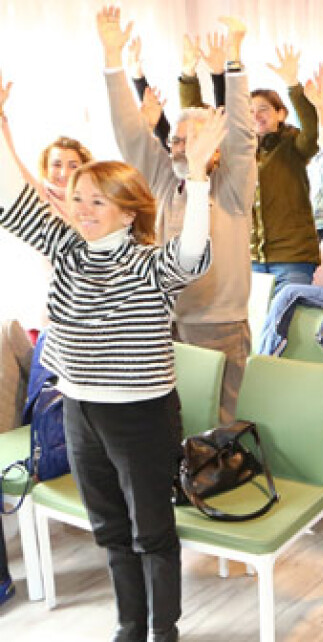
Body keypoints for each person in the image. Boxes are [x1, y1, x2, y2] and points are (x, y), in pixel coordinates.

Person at [3, 14, 224, 637]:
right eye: (77, 200)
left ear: (129, 210)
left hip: (140, 414)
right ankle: (131, 627)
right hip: (81, 409)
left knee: (151, 529)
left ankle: (164, 630)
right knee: (109, 529)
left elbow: (193, 255)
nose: (81, 210)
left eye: (96, 201)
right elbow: (12, 196)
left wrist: (199, 179)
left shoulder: (149, 263)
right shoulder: (67, 248)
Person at [102, 14, 256, 426]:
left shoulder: (232, 185)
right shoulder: (164, 180)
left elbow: (241, 135)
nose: (178, 147)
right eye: (175, 139)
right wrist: (113, 62)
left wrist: (234, 63)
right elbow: (131, 134)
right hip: (165, 321)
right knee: (171, 423)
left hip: (219, 326)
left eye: (189, 140)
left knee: (220, 432)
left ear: (213, 145)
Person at [250, 43, 322, 291]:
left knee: (283, 324)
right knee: (259, 325)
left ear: (281, 114)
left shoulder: (293, 143)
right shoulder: (245, 151)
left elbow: (313, 133)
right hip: (254, 260)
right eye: (250, 111)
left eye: (263, 109)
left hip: (292, 259)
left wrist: (293, 85)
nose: (256, 116)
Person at [0, 74, 94, 221]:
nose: (64, 173)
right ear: (45, 168)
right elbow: (10, 158)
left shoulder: (97, 205)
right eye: (56, 164)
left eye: (73, 166)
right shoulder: (36, 197)